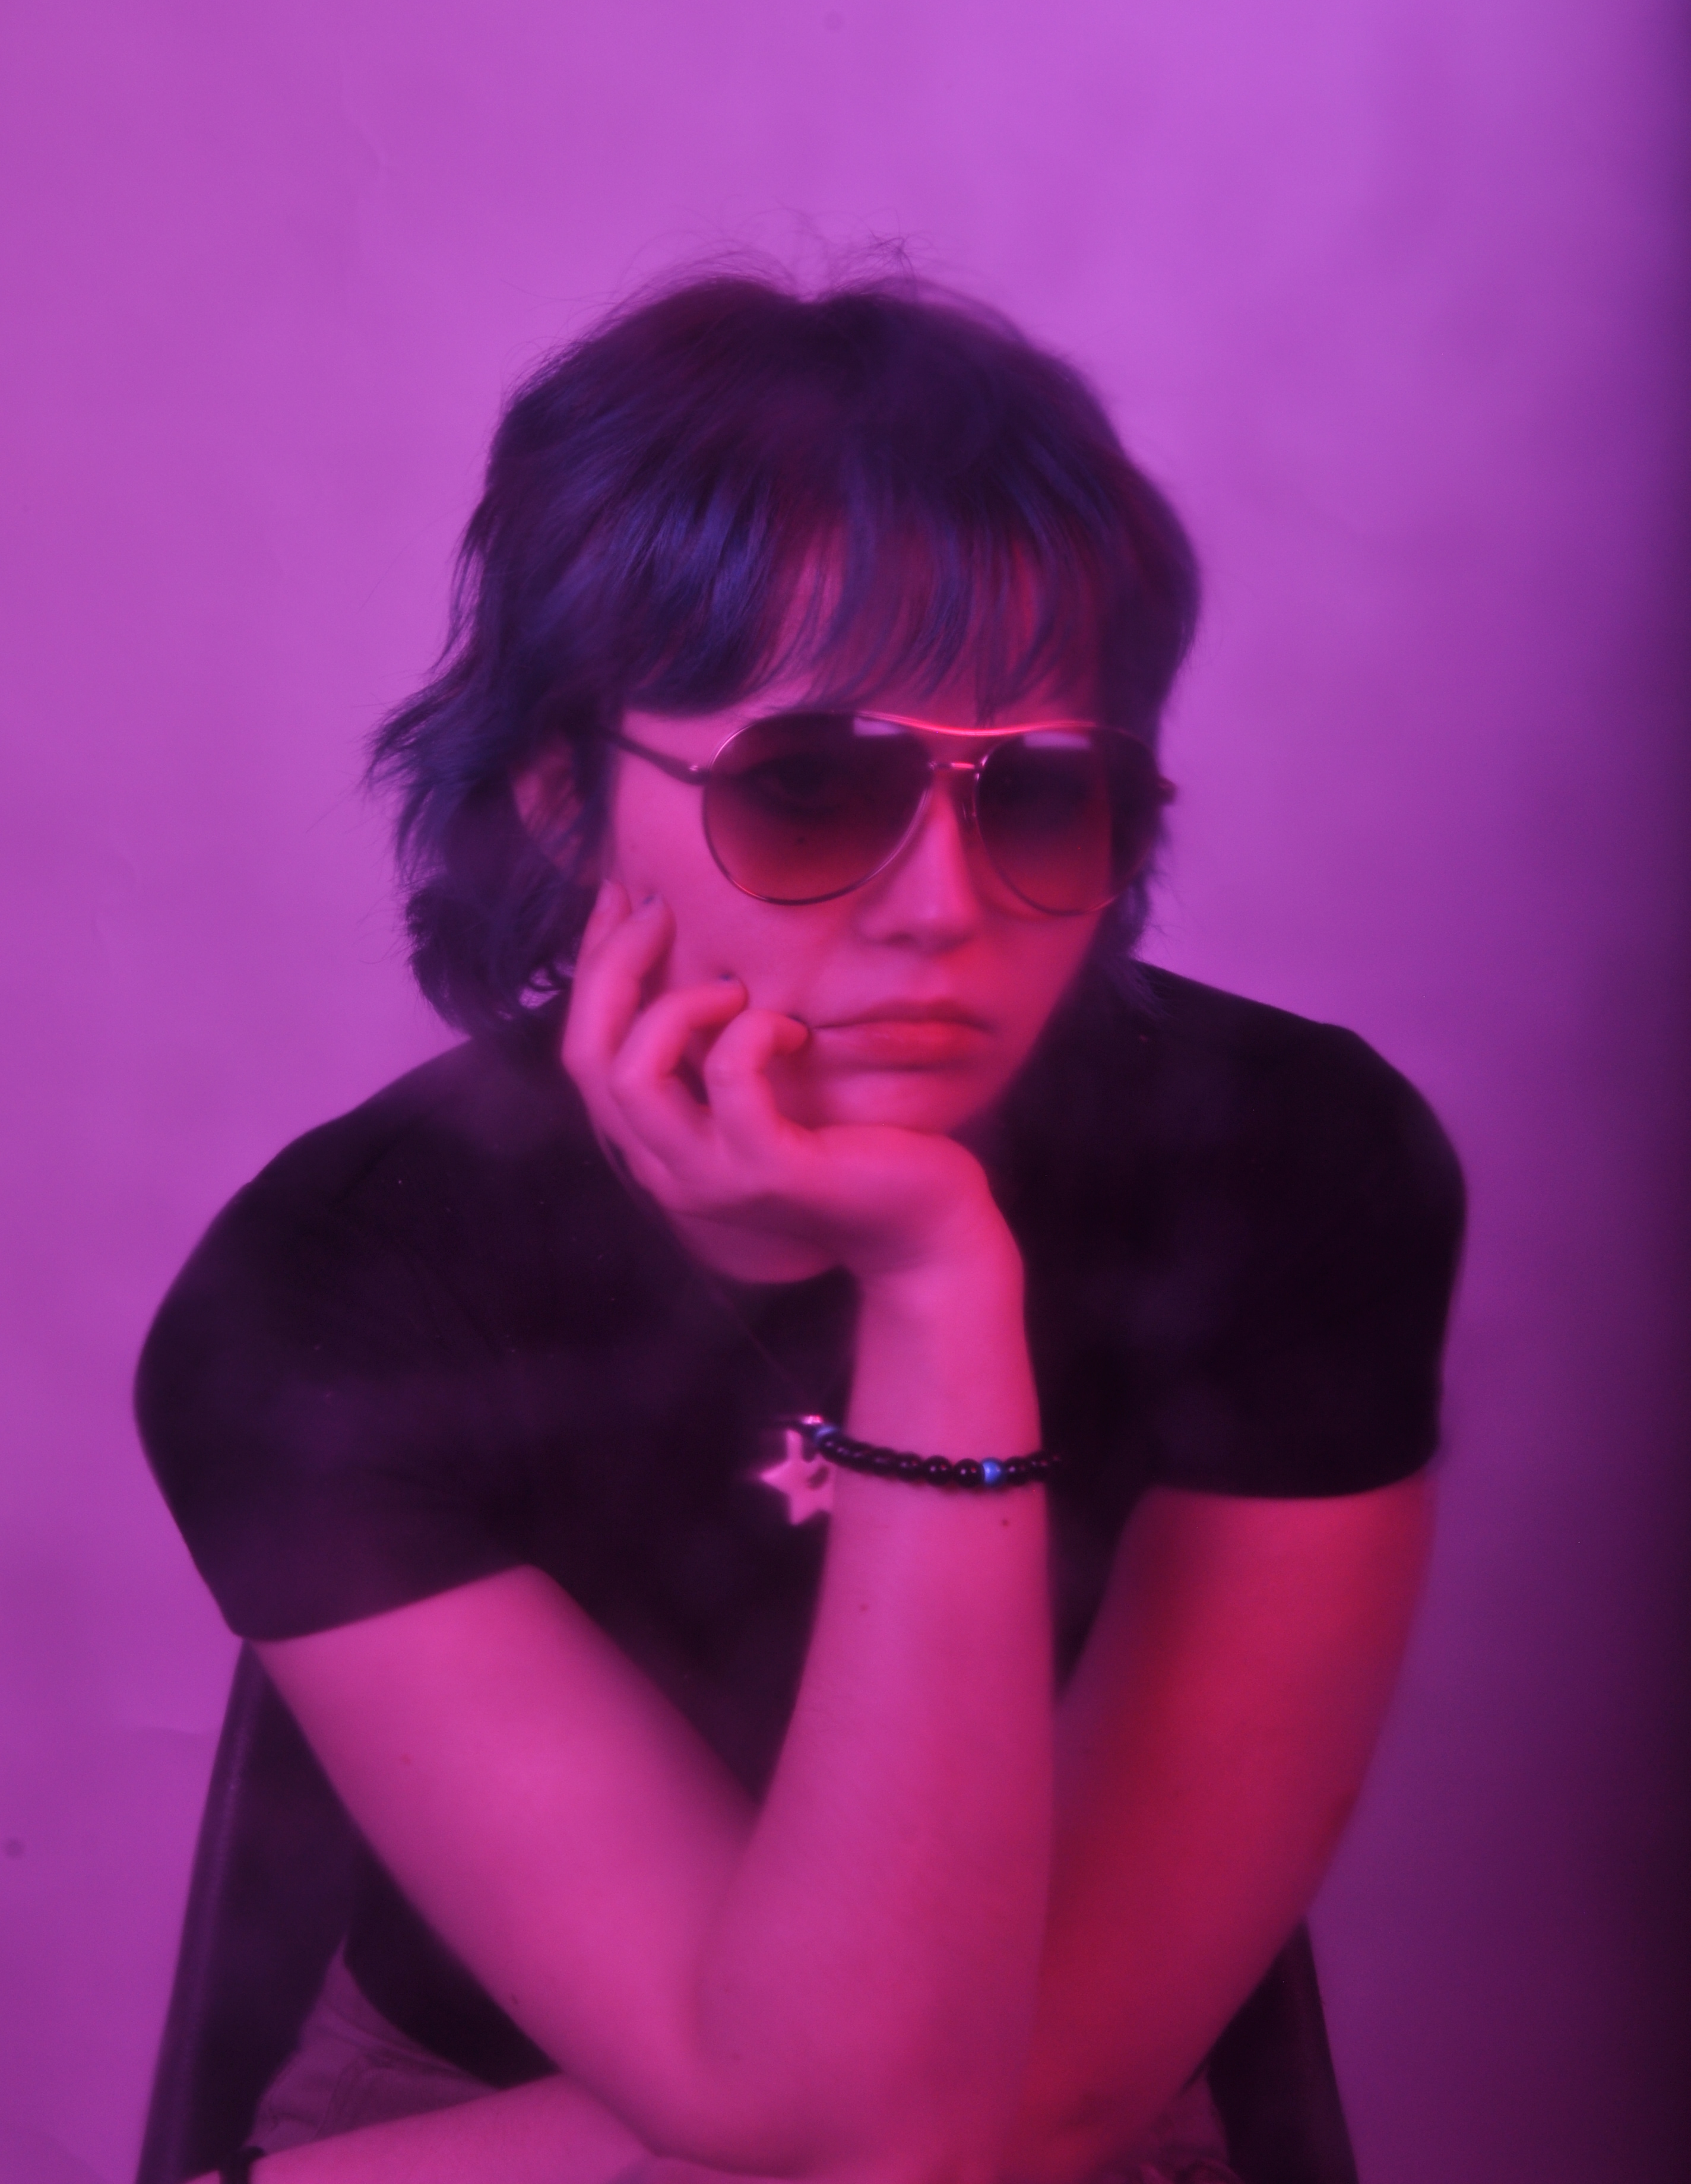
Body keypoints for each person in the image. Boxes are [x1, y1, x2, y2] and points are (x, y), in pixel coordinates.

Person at [137, 271, 1464, 2184]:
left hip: (1049, 2111)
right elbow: (854, 2128)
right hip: (478, 2107)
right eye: (815, 787)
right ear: (565, 803)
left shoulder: (1290, 1166)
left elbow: (973, 2113)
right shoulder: (323, 1298)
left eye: (1041, 795)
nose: (943, 905)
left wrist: (936, 1282)